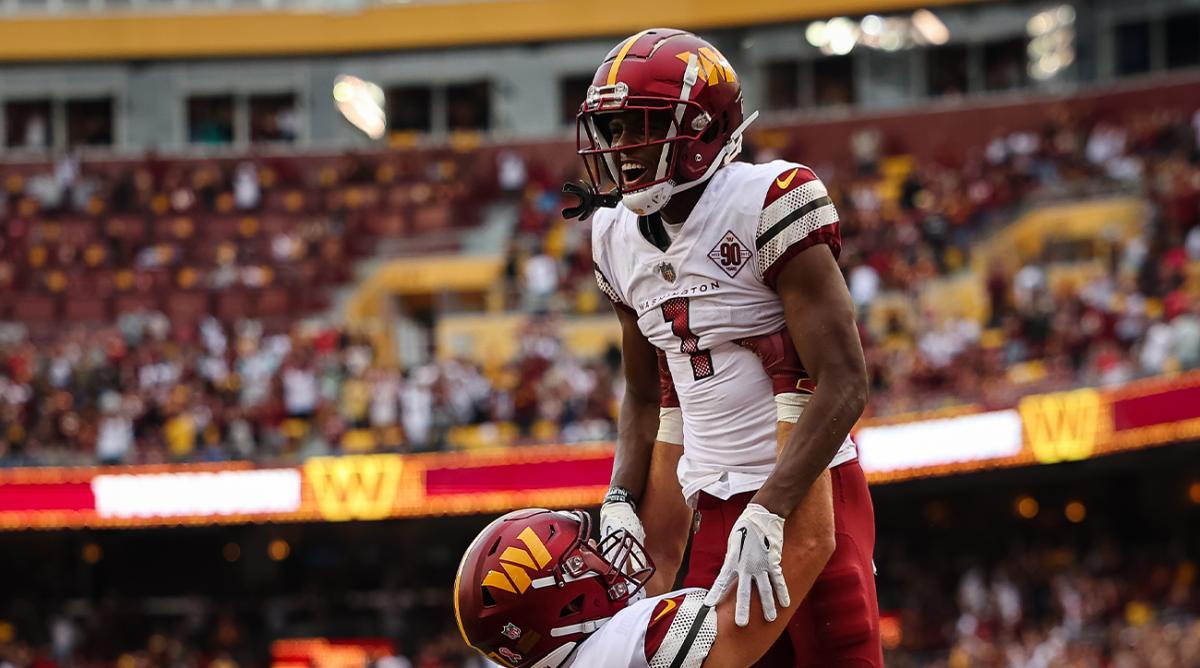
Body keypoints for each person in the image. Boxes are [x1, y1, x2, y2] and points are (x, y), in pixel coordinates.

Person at [569, 29, 880, 665]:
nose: (622, 150)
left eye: (640, 127)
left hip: (808, 491)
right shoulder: (613, 237)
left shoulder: (768, 201)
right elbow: (643, 394)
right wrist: (621, 498)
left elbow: (844, 380)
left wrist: (772, 507)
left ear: (705, 131)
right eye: (614, 130)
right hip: (712, 505)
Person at [453, 500, 833, 667]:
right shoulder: (632, 645)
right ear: (564, 606)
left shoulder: (554, 654)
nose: (601, 554)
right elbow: (812, 544)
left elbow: (665, 548)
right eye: (581, 556)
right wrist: (800, 401)